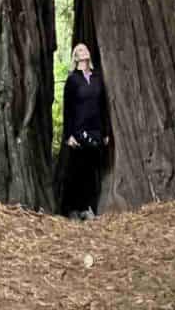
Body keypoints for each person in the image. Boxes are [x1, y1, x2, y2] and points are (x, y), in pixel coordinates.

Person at [62, 42, 109, 219]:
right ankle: (73, 209)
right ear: (75, 57)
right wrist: (69, 135)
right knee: (76, 171)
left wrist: (105, 132)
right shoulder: (73, 79)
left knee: (91, 171)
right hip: (78, 130)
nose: (83, 51)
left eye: (85, 48)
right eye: (79, 50)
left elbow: (102, 106)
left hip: (95, 129)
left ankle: (88, 208)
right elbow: (68, 109)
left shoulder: (97, 77)